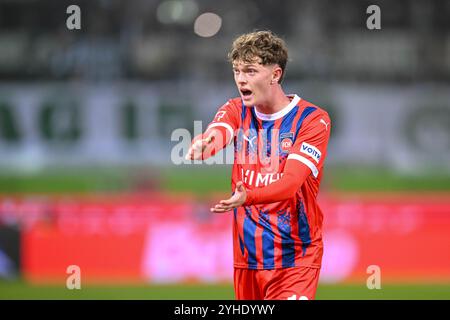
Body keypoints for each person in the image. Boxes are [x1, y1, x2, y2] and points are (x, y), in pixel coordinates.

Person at [185, 30, 331, 300]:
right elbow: (220, 131)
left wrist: (247, 197)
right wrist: (205, 144)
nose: (241, 79)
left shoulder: (312, 120)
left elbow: (289, 185)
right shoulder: (235, 109)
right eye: (237, 71)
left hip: (295, 257)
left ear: (275, 75)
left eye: (250, 71)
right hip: (247, 258)